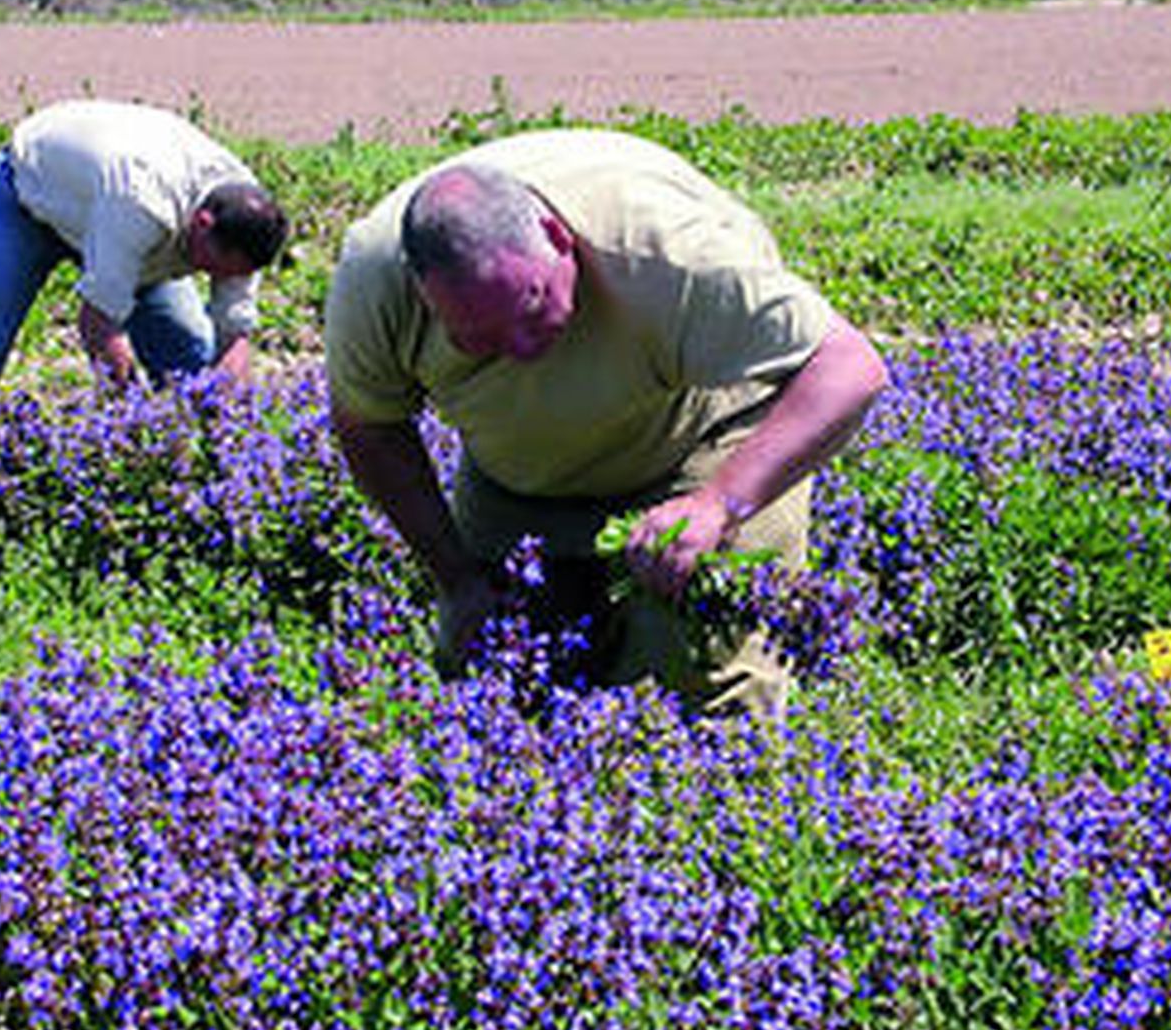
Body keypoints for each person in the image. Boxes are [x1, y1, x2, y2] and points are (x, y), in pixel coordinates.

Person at [324, 128, 887, 719]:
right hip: (519, 480)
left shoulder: (664, 251)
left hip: (700, 444)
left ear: (557, 238)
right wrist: (455, 576)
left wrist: (718, 504)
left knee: (705, 690)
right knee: (492, 683)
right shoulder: (375, 280)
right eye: (479, 339)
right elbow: (370, 427)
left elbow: (850, 368)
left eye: (533, 305)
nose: (519, 349)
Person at [0, 99, 288, 446]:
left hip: (124, 222)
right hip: (30, 197)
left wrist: (233, 431)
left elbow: (233, 335)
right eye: (214, 268)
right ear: (202, 223)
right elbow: (99, 323)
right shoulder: (142, 204)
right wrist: (128, 430)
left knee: (191, 357)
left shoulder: (245, 220)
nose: (214, 278)